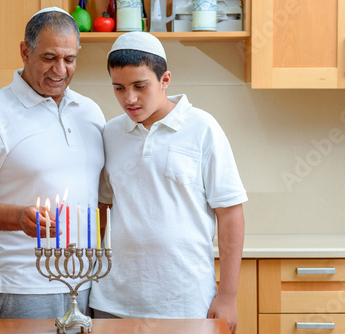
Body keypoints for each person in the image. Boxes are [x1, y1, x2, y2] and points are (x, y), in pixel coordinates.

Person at [0, 7, 105, 319]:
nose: (60, 69)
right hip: (22, 286)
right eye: (49, 57)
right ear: (25, 51)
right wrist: (19, 216)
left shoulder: (91, 113)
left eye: (69, 59)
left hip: (89, 283)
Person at [89, 32, 247, 333]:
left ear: (165, 80)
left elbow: (230, 215)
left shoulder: (203, 128)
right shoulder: (110, 133)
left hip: (187, 302)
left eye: (140, 86)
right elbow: (102, 208)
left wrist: (228, 296)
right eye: (119, 88)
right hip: (112, 302)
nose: (129, 99)